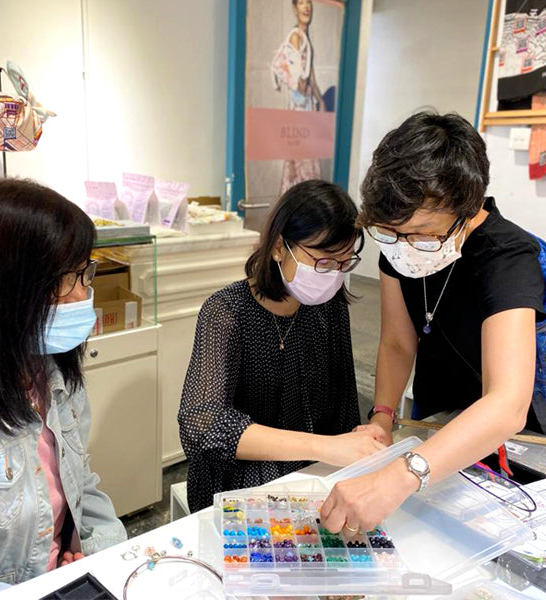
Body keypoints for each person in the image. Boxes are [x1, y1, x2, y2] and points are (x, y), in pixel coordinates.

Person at [321, 112, 545, 536]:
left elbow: (508, 403)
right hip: (437, 410)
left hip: (515, 435)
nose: (405, 248)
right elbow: (397, 344)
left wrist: (401, 475)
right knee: (421, 529)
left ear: (468, 211)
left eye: (424, 235)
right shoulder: (399, 241)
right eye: (390, 233)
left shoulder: (507, 257)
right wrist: (383, 417)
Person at [0, 178, 127, 599]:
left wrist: (100, 558)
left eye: (85, 274)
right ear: (5, 290)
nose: (85, 295)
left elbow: (83, 484)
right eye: (69, 280)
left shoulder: (54, 375)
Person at [178, 179, 385, 512]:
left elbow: (344, 405)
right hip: (236, 480)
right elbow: (202, 425)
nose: (333, 275)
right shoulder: (226, 312)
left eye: (344, 263)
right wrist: (323, 448)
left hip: (309, 473)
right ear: (278, 247)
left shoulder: (329, 309)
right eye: (323, 261)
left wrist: (360, 442)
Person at [271, 0, 326, 194]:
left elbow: (310, 75)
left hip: (305, 110)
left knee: (302, 164)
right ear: (294, 9)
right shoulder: (296, 36)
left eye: (308, 3)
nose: (306, 7)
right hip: (299, 110)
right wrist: (304, 89)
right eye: (301, 3)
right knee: (299, 165)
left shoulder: (304, 37)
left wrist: (320, 100)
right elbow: (298, 77)